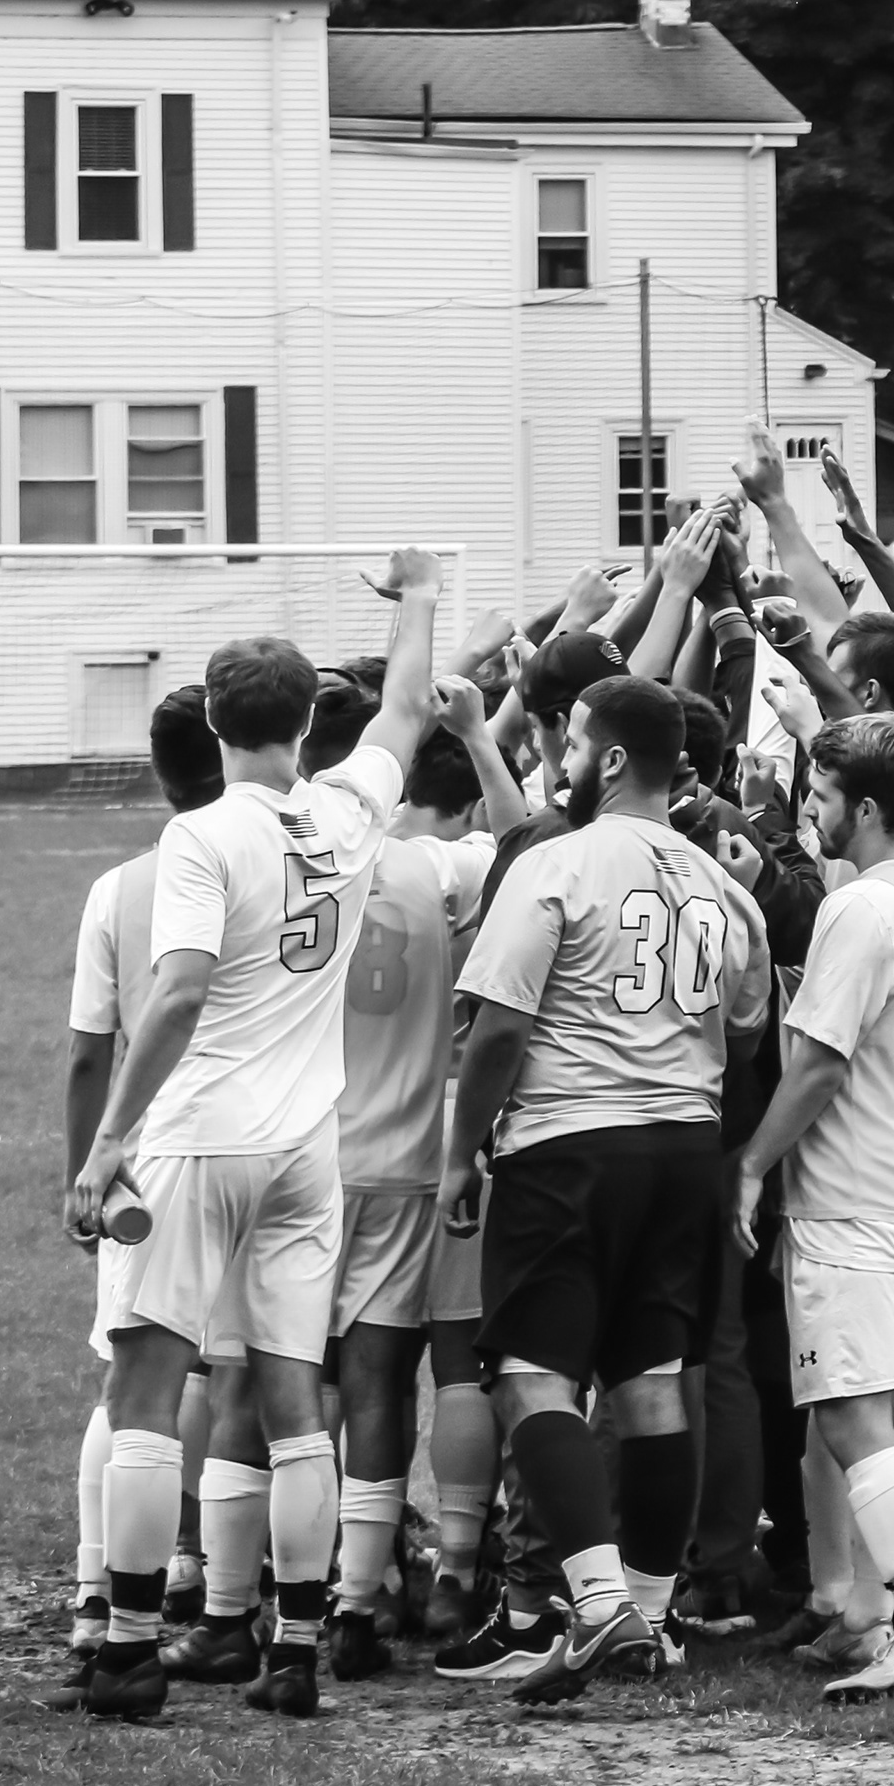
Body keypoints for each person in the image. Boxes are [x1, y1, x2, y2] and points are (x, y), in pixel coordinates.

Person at [60, 550, 444, 1721]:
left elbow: (174, 992)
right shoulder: (345, 809)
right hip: (304, 1153)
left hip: (199, 1139)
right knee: (291, 1394)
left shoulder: (200, 835)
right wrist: (419, 597)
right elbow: (414, 705)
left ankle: (126, 1646)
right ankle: (292, 1650)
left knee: (146, 1388)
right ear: (307, 722)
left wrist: (108, 1136)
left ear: (214, 721)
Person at [442, 674, 773, 1706]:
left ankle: (596, 1603)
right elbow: (750, 1022)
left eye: (571, 743)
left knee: (533, 1375)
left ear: (612, 758)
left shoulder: (559, 860)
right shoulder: (727, 884)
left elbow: (497, 1022)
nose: (558, 761)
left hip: (572, 1144)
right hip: (685, 1144)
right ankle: (649, 1610)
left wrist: (462, 1148)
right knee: (651, 1379)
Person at [728, 713, 894, 1701]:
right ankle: (877, 1612)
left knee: (848, 1413)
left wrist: (752, 1164)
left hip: (856, 1194)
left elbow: (822, 1056)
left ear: (865, 806)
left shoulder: (864, 905)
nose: (810, 811)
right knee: (882, 1408)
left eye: (821, 796)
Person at [319, 676, 525, 1677]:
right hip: (431, 1145)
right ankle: (444, 1574)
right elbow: (524, 838)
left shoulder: (299, 855)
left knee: (315, 1377)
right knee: (434, 1371)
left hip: (310, 1149)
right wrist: (488, 725)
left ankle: (311, 1574)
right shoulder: (451, 865)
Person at [42, 686, 225, 1709]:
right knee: (246, 1380)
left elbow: (87, 1050)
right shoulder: (288, 854)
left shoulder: (123, 887)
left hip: (150, 1166)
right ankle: (246, 1597)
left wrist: (87, 1167)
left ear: (159, 770)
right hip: (271, 1149)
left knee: (133, 1377)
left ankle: (96, 1597)